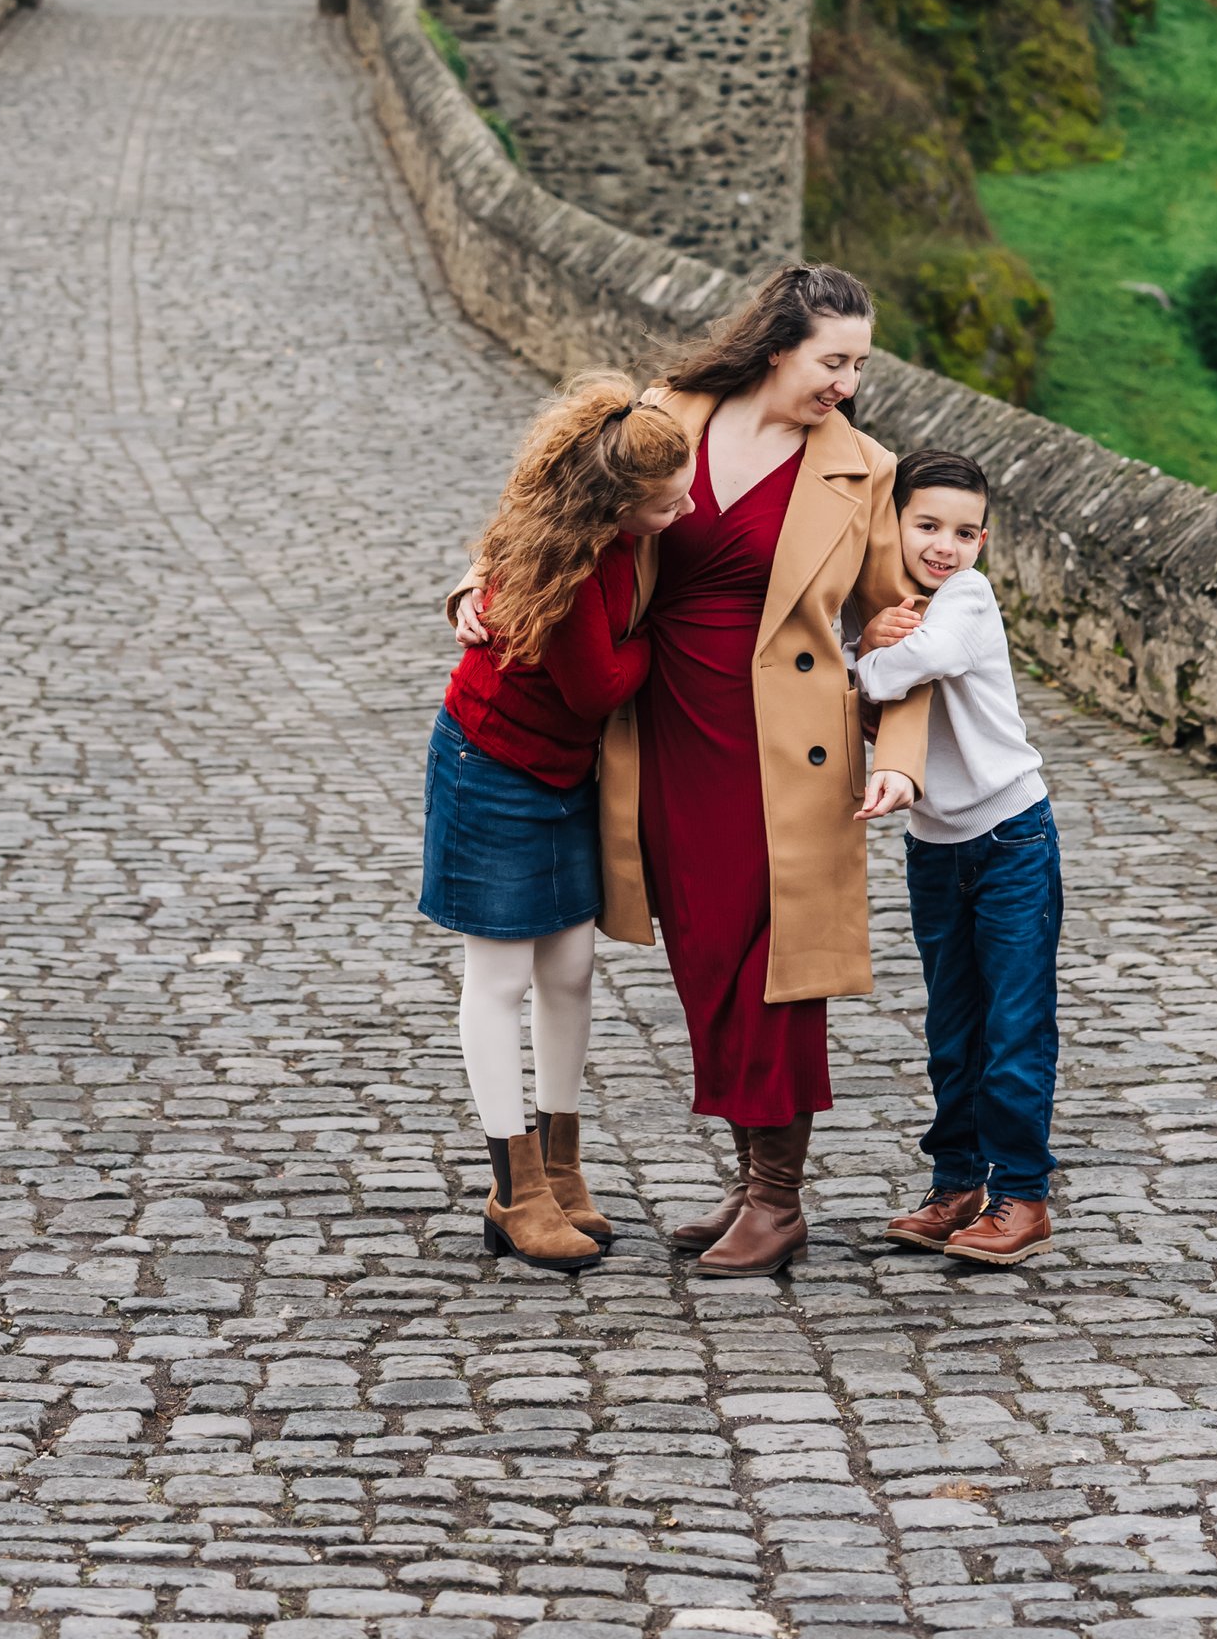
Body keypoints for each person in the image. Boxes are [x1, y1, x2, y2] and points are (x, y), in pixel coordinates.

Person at [462, 263, 932, 1277]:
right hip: (660, 733)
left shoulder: (865, 469)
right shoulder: (668, 415)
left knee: (779, 970)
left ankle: (778, 1200)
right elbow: (557, 506)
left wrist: (896, 755)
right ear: (776, 348)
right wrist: (473, 574)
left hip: (790, 756)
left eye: (858, 364)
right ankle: (748, 1175)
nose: (847, 383)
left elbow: (902, 629)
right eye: (833, 360)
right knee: (710, 964)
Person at [422, 375, 696, 1271]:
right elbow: (602, 685)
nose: (684, 510)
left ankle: (564, 1166)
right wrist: (668, 636)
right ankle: (514, 1187)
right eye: (667, 504)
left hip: (562, 771)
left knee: (570, 968)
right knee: (499, 975)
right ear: (614, 504)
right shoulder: (575, 567)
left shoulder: (598, 481)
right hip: (492, 766)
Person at [855, 447, 1061, 1267]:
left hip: (1013, 838)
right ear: (893, 524)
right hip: (934, 850)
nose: (946, 545)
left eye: (966, 531)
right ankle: (956, 1183)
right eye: (927, 525)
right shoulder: (888, 605)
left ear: (984, 541)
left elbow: (921, 662)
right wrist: (865, 641)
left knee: (1014, 1026)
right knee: (952, 1027)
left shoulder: (965, 600)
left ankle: (1023, 1196)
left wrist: (858, 658)